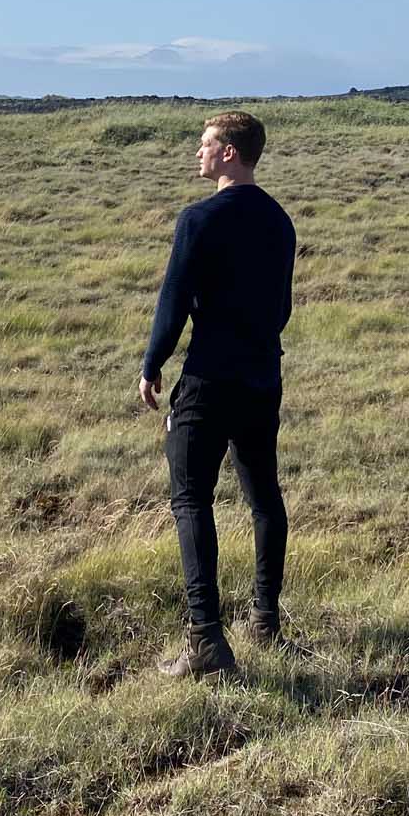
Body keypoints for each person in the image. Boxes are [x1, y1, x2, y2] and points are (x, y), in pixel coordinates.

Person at [139, 111, 297, 678]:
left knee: (190, 500)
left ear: (230, 153)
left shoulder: (199, 220)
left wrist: (152, 363)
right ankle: (264, 621)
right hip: (262, 378)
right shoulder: (281, 222)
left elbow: (173, 299)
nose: (197, 154)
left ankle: (206, 639)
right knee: (264, 499)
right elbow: (282, 309)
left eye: (205, 145)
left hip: (208, 379)